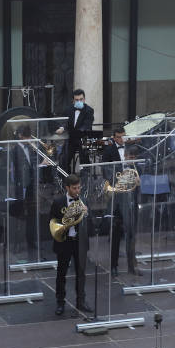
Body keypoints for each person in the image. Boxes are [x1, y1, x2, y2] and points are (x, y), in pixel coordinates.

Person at [49, 174, 92, 315]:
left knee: (81, 273)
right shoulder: (58, 202)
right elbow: (52, 222)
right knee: (61, 273)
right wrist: (65, 222)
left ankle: (81, 301)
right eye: (74, 188)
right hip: (64, 242)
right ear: (67, 188)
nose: (77, 191)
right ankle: (60, 302)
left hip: (79, 242)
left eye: (79, 187)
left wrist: (86, 213)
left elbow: (88, 223)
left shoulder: (83, 200)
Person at [102, 128, 142, 277]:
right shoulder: (108, 151)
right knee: (116, 234)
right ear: (114, 137)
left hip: (132, 198)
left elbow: (139, 168)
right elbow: (107, 172)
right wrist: (125, 180)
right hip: (118, 198)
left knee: (132, 233)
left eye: (123, 137)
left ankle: (133, 265)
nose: (121, 140)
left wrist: (137, 179)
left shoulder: (132, 149)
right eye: (118, 137)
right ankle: (114, 266)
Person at [11, 124, 37, 261]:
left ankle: (31, 241)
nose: (29, 139)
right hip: (20, 187)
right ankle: (17, 244)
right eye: (27, 136)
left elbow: (32, 166)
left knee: (32, 215)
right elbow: (14, 171)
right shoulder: (15, 150)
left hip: (31, 186)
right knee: (19, 216)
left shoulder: (31, 149)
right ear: (20, 136)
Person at [55, 88, 94, 173]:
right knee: (64, 160)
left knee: (84, 159)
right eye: (77, 100)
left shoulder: (89, 110)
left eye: (81, 99)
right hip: (71, 139)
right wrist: (62, 128)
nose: (79, 101)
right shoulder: (68, 109)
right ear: (73, 100)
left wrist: (79, 132)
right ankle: (67, 180)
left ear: (84, 99)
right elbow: (64, 121)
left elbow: (87, 125)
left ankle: (85, 179)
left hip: (83, 139)